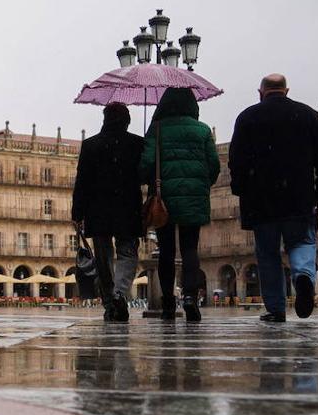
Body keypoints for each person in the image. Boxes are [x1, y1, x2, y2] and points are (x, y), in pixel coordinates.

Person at [229, 74, 318, 323]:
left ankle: (276, 309)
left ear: (261, 93)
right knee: (302, 242)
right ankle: (303, 276)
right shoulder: (309, 116)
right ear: (286, 91)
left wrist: (241, 189)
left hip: (261, 199)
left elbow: (236, 161)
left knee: (268, 253)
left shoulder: (247, 117)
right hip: (299, 197)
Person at [139, 87, 220, 322]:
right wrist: (200, 185)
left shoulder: (157, 129)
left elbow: (146, 164)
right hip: (194, 197)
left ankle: (167, 303)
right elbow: (214, 165)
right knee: (190, 249)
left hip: (163, 198)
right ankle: (190, 298)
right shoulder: (203, 130)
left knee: (166, 251)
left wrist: (148, 178)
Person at [72, 102, 145, 322]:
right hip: (128, 207)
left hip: (98, 209)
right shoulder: (137, 144)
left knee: (103, 258)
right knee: (128, 253)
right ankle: (119, 294)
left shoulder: (90, 145)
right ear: (127, 121)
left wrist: (77, 213)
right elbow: (145, 175)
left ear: (105, 119)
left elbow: (82, 182)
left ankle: (109, 303)